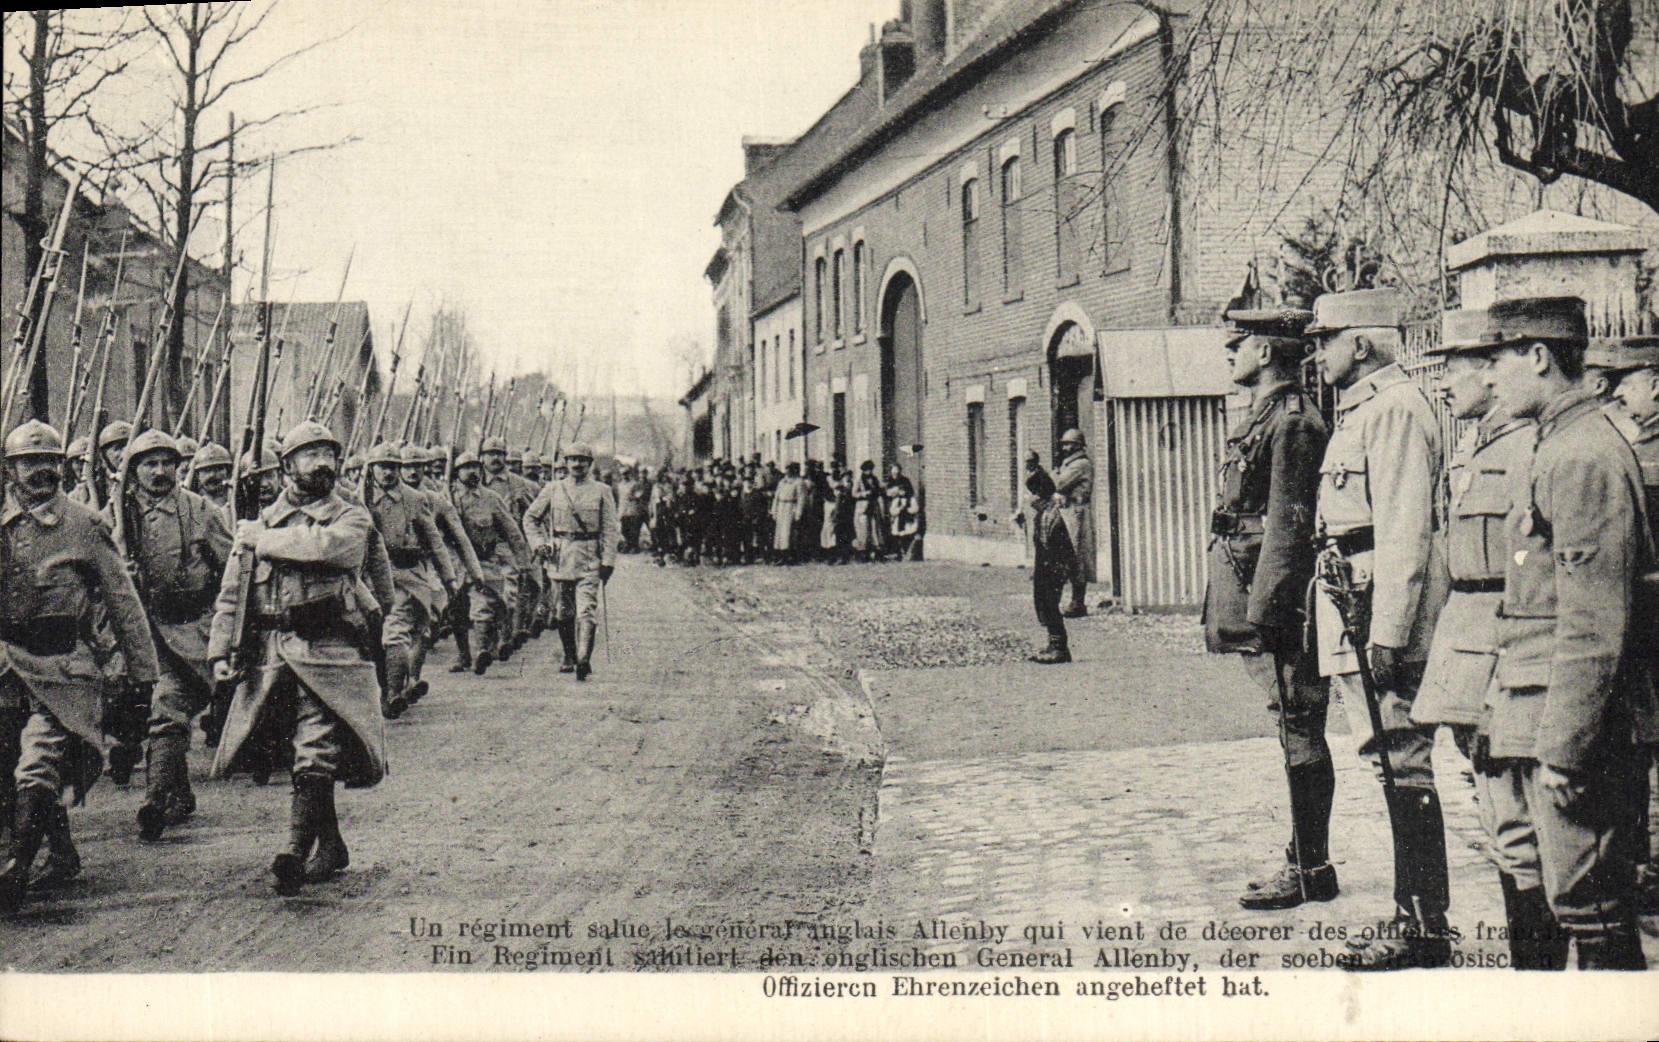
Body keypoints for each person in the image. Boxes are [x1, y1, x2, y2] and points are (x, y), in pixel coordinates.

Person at [1466, 297, 1651, 969]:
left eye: (1498, 359)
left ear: (1539, 356)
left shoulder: (1582, 454)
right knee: (1547, 882)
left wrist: (1566, 749)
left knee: (1588, 901)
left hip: (1575, 722)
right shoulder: (1556, 443)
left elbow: (1594, 624)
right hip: (1533, 704)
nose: (1489, 376)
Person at [1308, 287, 1452, 970]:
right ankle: (1413, 916)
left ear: (1360, 343)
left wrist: (1388, 633)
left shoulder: (1393, 409)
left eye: (1325, 340)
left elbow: (1404, 529)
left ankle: (1422, 925)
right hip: (1353, 599)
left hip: (1378, 610)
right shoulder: (1364, 409)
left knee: (1401, 759)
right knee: (1386, 759)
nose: (1317, 352)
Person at [1411, 307, 1555, 965]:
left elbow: (1528, 568)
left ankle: (1543, 979)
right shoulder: (1480, 445)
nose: (1443, 381)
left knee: (1521, 826)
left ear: (1494, 369)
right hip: (1470, 649)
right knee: (1502, 822)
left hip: (1505, 651)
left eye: (1454, 366)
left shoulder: (1525, 447)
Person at [208, 421, 384, 896]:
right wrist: (220, 650)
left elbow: (332, 549)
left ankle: (293, 849)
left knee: (316, 745)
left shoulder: (350, 515)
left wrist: (261, 540)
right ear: (287, 467)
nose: (322, 463)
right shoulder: (260, 521)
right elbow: (232, 595)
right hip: (272, 655)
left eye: (329, 454)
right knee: (294, 750)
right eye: (310, 455)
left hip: (331, 651)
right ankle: (331, 845)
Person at [1200, 306, 1333, 911]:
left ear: (1267, 352)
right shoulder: (1267, 414)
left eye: (1242, 342)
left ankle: (1311, 868)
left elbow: (1288, 524)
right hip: (1257, 589)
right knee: (1291, 723)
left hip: (1278, 603)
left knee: (1300, 724)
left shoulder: (1294, 422)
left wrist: (1271, 610)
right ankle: (1305, 861)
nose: (1232, 351)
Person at [1, 420, 159, 913]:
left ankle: (16, 869)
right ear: (10, 469)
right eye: (30, 462)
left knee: (39, 761)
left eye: (50, 461)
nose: (42, 471)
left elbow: (123, 603)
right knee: (7, 759)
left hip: (64, 667)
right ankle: (62, 851)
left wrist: (143, 675)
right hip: (6, 665)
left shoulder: (85, 525)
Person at [114, 429, 233, 843]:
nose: (160, 471)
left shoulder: (200, 511)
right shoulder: (119, 515)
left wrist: (225, 631)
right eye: (150, 464)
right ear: (134, 470)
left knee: (167, 708)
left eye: (167, 463)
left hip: (193, 631)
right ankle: (176, 794)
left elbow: (232, 572)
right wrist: (121, 572)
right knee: (160, 711)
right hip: (144, 633)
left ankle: (157, 799)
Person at [1588, 334, 1659, 916]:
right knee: (1633, 742)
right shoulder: (1630, 441)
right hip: (1638, 622)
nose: (1615, 394)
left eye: (1624, 382)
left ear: (1654, 383)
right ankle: (1637, 862)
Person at [362, 442, 457, 719]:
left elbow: (435, 541)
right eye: (383, 467)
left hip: (404, 576)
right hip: (367, 579)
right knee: (371, 638)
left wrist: (449, 578)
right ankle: (387, 689)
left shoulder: (414, 499)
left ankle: (393, 693)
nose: (388, 473)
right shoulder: (359, 499)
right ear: (372, 469)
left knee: (396, 632)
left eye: (394, 467)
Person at [524, 442, 619, 680]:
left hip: (589, 556)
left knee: (586, 609)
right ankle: (569, 655)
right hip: (561, 556)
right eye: (573, 459)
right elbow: (531, 518)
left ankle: (583, 658)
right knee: (564, 611)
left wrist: (608, 560)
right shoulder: (553, 489)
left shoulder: (602, 491)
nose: (577, 464)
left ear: (590, 464)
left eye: (582, 460)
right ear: (565, 463)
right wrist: (539, 544)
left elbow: (610, 529)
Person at [451, 452, 531, 676]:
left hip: (484, 560)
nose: (472, 472)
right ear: (457, 472)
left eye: (475, 467)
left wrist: (523, 560)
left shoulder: (491, 498)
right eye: (466, 467)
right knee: (456, 611)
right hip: (455, 563)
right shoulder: (447, 498)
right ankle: (463, 654)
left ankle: (481, 651)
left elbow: (511, 531)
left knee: (483, 606)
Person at [1022, 455, 1076, 664]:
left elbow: (1058, 548)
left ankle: (1060, 648)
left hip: (1053, 567)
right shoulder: (1043, 515)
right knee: (1044, 604)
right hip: (1046, 567)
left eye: (1034, 495)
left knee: (1051, 604)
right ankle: (1053, 643)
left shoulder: (1050, 517)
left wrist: (1058, 570)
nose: (1031, 500)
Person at [1053, 430, 1095, 616]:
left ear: (1078, 445)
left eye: (1069, 444)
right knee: (1068, 555)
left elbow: (1059, 483)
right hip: (1068, 510)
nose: (1065, 447)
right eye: (1064, 444)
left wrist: (1055, 473)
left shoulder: (1080, 464)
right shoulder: (1069, 463)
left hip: (1077, 512)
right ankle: (1074, 602)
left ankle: (1078, 603)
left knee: (1076, 555)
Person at [771, 462, 806, 564]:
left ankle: (789, 556)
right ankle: (779, 555)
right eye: (786, 469)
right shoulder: (782, 482)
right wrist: (774, 510)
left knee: (788, 532)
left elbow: (801, 498)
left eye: (790, 469)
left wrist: (798, 512)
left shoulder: (799, 482)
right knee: (779, 532)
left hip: (791, 507)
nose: (787, 471)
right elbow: (776, 497)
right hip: (781, 506)